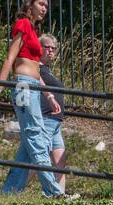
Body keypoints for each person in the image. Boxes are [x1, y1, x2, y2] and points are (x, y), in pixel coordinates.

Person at [0, 0, 65, 197]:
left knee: (28, 148)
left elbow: (37, 69)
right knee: (37, 138)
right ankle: (54, 193)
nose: (45, 8)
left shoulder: (33, 30)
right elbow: (10, 58)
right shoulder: (23, 24)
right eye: (41, 3)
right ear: (30, 4)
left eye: (47, 5)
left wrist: (49, 95)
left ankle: (8, 193)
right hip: (24, 86)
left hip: (34, 87)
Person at [38, 34, 68, 193]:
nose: (50, 51)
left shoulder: (46, 69)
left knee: (60, 161)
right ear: (39, 47)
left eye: (53, 48)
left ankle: (59, 196)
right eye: (46, 47)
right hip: (46, 118)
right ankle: (16, 188)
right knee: (39, 158)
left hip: (55, 122)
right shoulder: (35, 66)